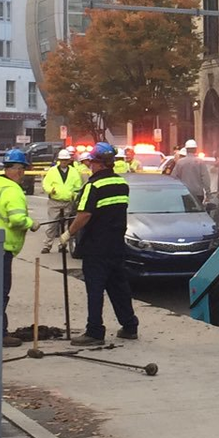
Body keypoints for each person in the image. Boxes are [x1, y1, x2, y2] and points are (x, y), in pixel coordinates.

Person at [69, 143, 135, 346]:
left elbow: (84, 214)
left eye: (91, 163)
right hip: (116, 245)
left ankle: (95, 331)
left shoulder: (93, 186)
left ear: (98, 163)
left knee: (95, 289)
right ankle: (130, 326)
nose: (90, 166)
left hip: (96, 246)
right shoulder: (121, 183)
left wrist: (68, 233)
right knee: (119, 288)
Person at [0, 149, 37, 348]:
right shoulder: (12, 191)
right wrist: (31, 223)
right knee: (0, 292)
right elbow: (17, 219)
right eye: (21, 169)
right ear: (16, 170)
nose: (21, 173)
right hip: (3, 247)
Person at [38, 147, 85, 256]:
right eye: (62, 160)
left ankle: (62, 245)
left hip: (67, 202)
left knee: (65, 225)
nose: (64, 162)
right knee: (52, 224)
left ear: (69, 160)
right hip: (55, 201)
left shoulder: (73, 172)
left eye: (66, 160)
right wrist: (51, 190)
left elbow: (77, 186)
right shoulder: (52, 171)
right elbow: (46, 183)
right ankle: (47, 245)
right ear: (59, 160)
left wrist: (73, 195)